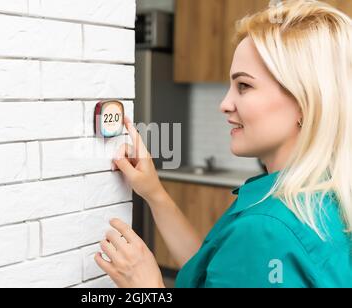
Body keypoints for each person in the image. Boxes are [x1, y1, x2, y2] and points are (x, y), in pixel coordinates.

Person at [94, 0, 352, 288]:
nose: (225, 104)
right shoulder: (323, 194)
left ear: (305, 101)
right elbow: (221, 273)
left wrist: (146, 286)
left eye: (244, 86)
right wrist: (155, 193)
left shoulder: (267, 230)